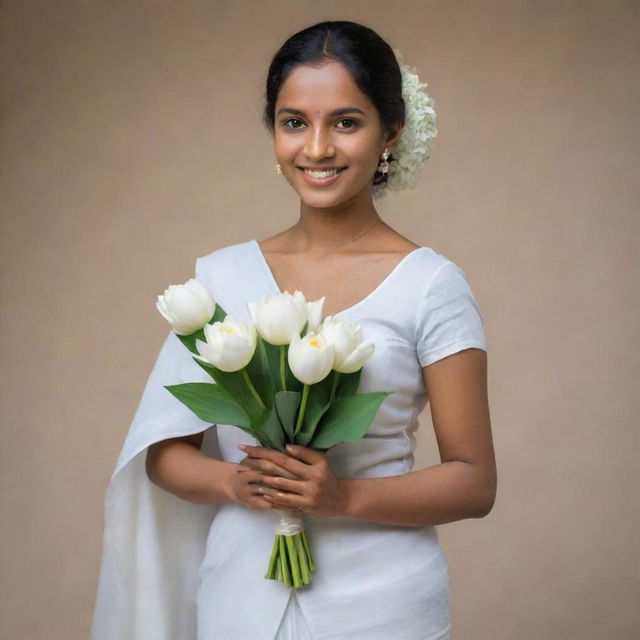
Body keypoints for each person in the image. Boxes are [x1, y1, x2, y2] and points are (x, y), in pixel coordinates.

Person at [90, 20, 496, 640]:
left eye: (346, 122)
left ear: (391, 131)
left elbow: (473, 480)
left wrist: (341, 499)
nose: (317, 148)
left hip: (382, 603)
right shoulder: (221, 278)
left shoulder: (432, 285)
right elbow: (165, 455)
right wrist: (233, 479)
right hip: (238, 597)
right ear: (274, 133)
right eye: (295, 122)